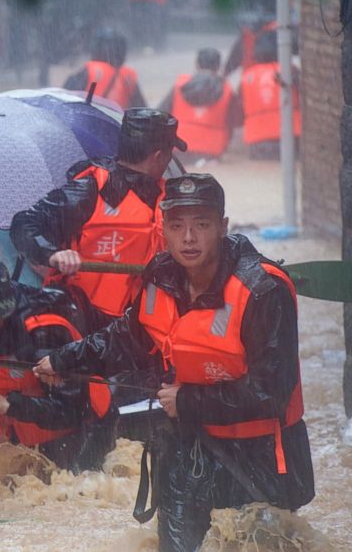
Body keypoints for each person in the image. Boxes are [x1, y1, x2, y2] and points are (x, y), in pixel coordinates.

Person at [35, 173, 315, 551]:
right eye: (178, 225)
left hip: (260, 457)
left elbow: (270, 392)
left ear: (222, 227)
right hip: (187, 449)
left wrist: (187, 402)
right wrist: (64, 360)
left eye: (201, 224)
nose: (188, 238)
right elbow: (124, 340)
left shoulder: (264, 291)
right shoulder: (161, 277)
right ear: (163, 228)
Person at [10, 108, 186, 322]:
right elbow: (24, 223)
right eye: (170, 153)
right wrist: (52, 254)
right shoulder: (89, 189)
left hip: (139, 321)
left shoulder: (170, 196)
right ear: (159, 156)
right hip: (85, 318)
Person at [0, 258, 116, 472]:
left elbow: (72, 411)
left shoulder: (44, 330)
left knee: (73, 494)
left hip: (83, 431)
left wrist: (11, 405)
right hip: (19, 436)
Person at [159, 48, 242, 161]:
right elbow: (238, 121)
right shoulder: (228, 90)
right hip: (212, 153)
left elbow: (160, 115)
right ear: (218, 67)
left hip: (179, 149)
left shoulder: (179, 86)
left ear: (197, 65)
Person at [239, 34, 301, 160]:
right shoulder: (289, 70)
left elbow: (240, 110)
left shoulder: (247, 76)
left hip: (257, 142)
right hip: (289, 137)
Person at [63, 28, 146, 109]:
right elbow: (142, 111)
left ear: (95, 48)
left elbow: (64, 100)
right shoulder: (128, 77)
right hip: (116, 122)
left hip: (90, 121)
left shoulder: (86, 72)